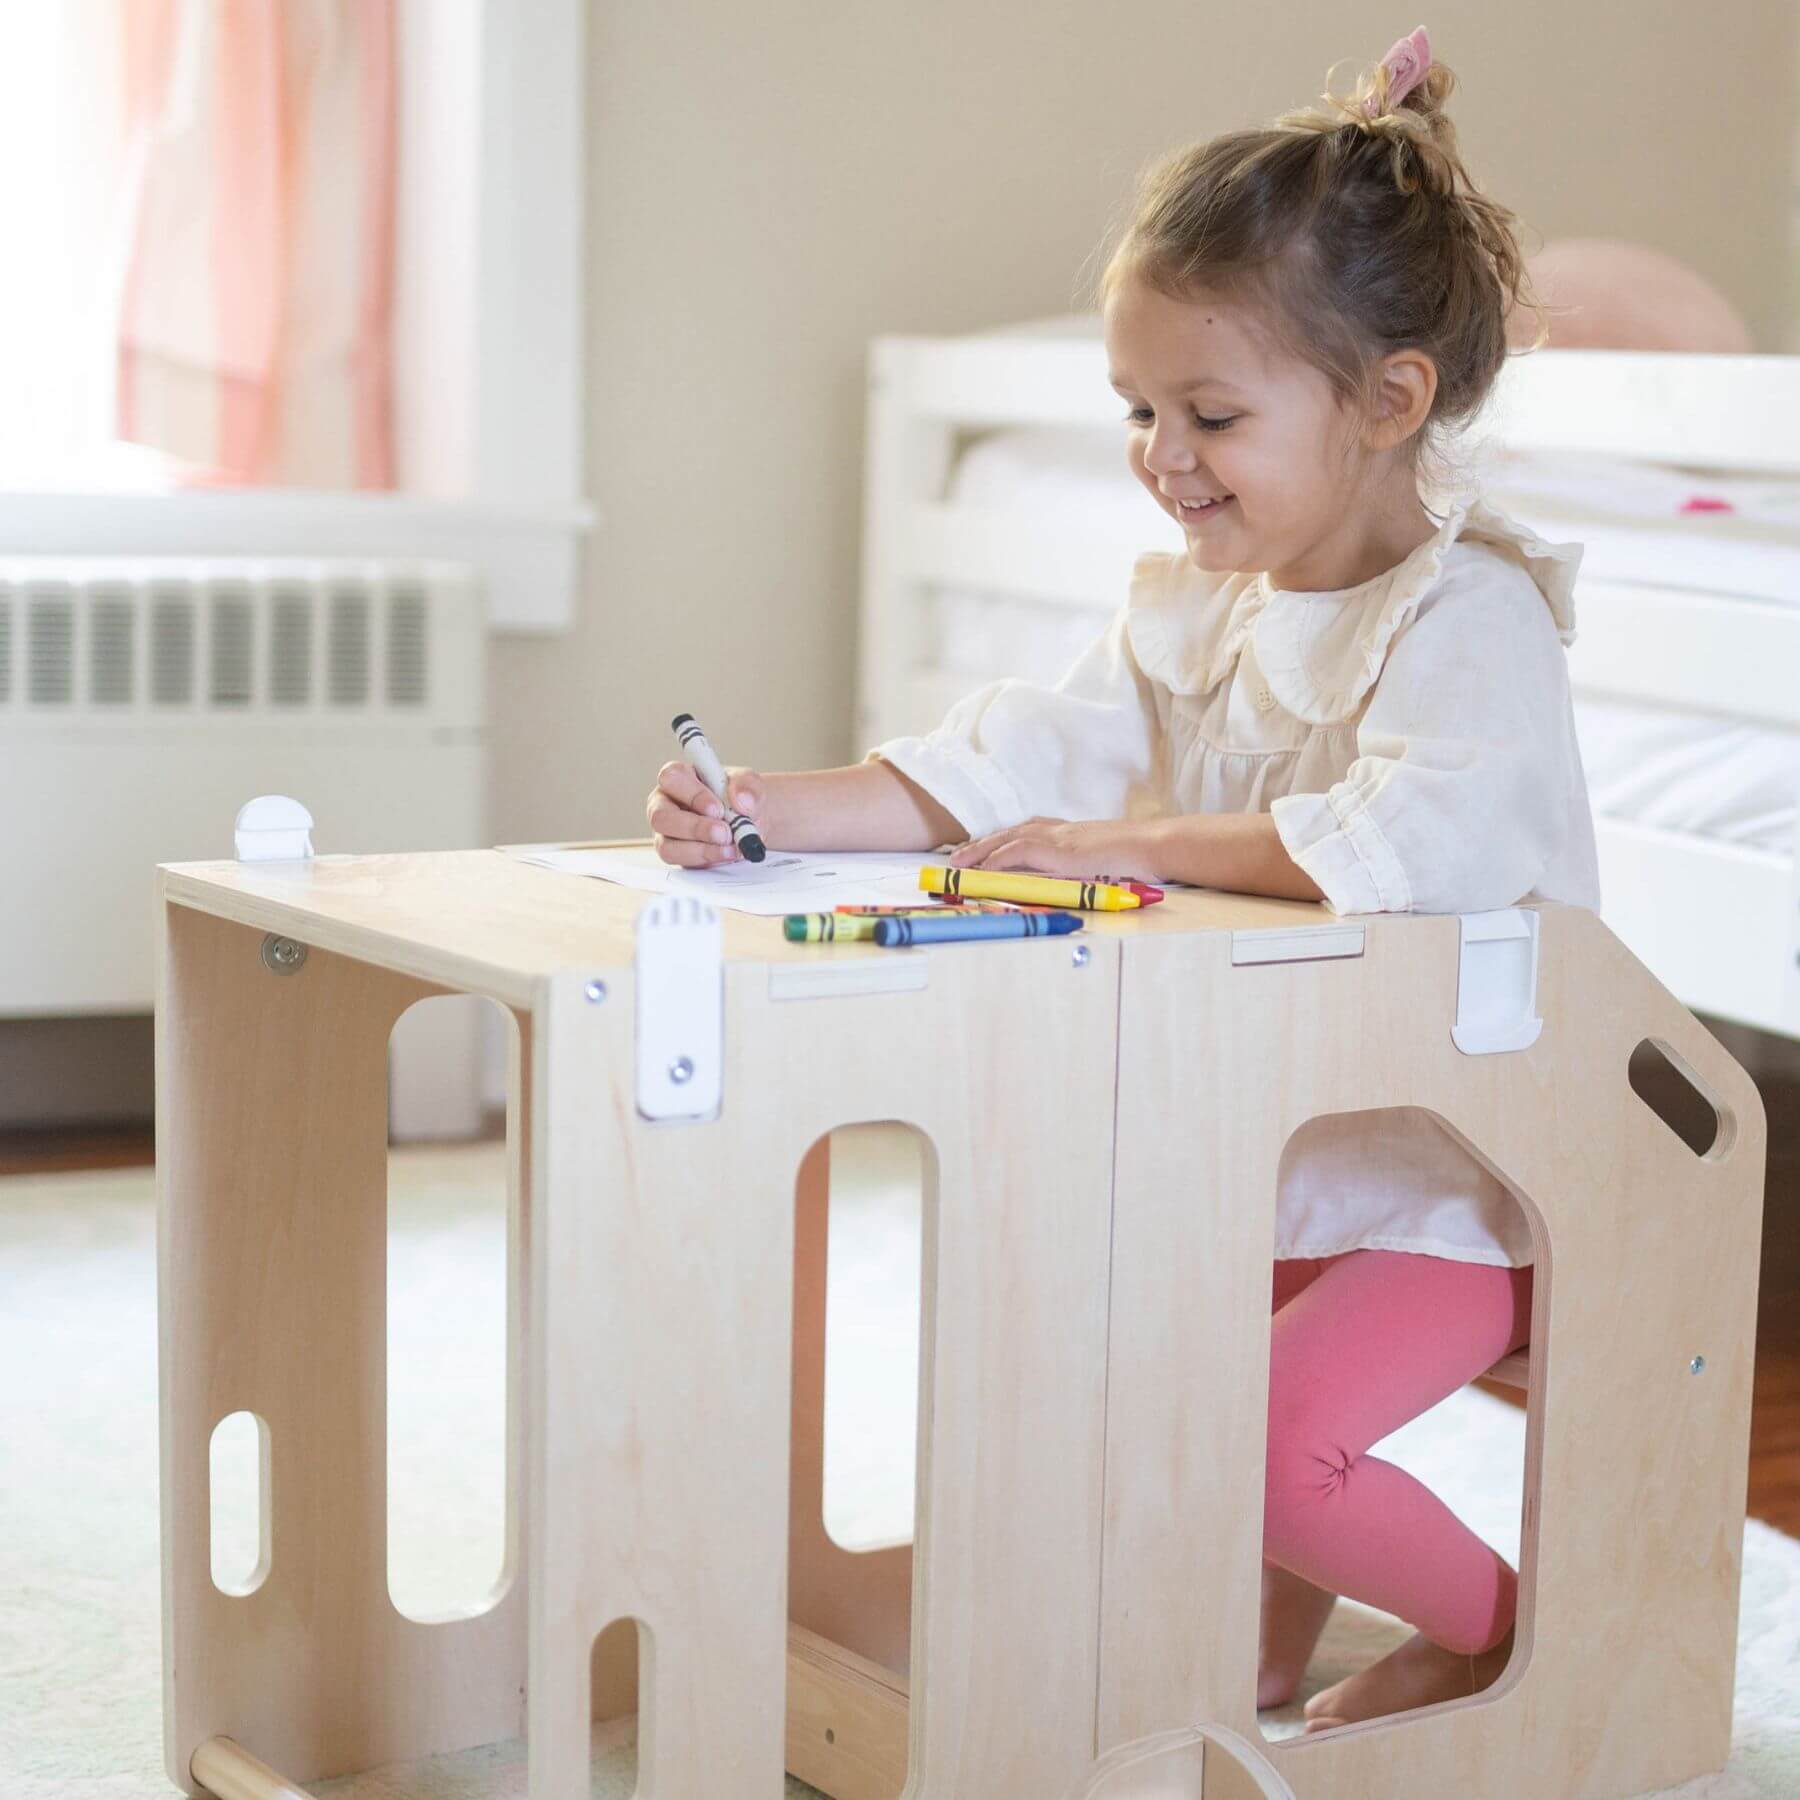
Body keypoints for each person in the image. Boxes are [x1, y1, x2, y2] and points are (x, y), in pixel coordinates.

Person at [646, 25, 1598, 1732]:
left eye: (1211, 413)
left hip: (1464, 1183)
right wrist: (766, 810)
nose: (1163, 453)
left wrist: (1137, 847)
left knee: (1258, 1442)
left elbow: (1413, 846)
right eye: (1140, 411)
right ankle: (1241, 1672)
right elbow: (1008, 764)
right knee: (1125, 1396)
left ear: (1392, 401)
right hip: (1275, 1153)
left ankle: (1506, 1635)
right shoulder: (1189, 608)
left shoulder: (1475, 620)